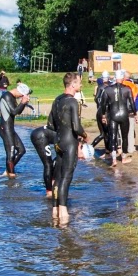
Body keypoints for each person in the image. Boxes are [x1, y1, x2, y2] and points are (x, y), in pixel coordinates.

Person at [47, 72, 89, 224]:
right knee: (66, 177)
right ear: (73, 84)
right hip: (69, 142)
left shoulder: (57, 100)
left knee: (57, 178)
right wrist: (85, 136)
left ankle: (55, 210)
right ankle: (63, 212)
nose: (81, 84)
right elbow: (77, 127)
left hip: (58, 142)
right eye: (79, 82)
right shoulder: (73, 101)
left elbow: (50, 124)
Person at [99, 70, 135, 167]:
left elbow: (103, 104)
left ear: (115, 77)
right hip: (124, 115)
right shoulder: (127, 89)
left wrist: (103, 115)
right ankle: (123, 158)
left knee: (113, 136)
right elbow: (132, 103)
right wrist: (135, 114)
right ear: (122, 78)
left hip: (113, 115)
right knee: (124, 137)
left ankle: (114, 160)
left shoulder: (108, 89)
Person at [0, 83, 31, 177]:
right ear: (18, 91)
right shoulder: (7, 96)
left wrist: (23, 103)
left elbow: (18, 112)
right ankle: (11, 176)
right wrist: (22, 102)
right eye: (21, 95)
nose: (21, 97)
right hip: (5, 129)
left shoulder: (12, 97)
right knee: (10, 153)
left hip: (10, 129)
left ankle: (8, 170)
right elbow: (14, 111)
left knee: (21, 150)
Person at [30, 125, 57, 197]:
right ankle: (49, 192)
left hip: (39, 133)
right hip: (41, 136)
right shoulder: (70, 139)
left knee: (50, 163)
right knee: (48, 164)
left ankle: (51, 182)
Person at [121, 69, 138, 154]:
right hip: (130, 111)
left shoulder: (117, 85)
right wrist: (135, 111)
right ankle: (130, 148)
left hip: (120, 111)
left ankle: (120, 148)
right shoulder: (133, 86)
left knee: (120, 130)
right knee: (130, 130)